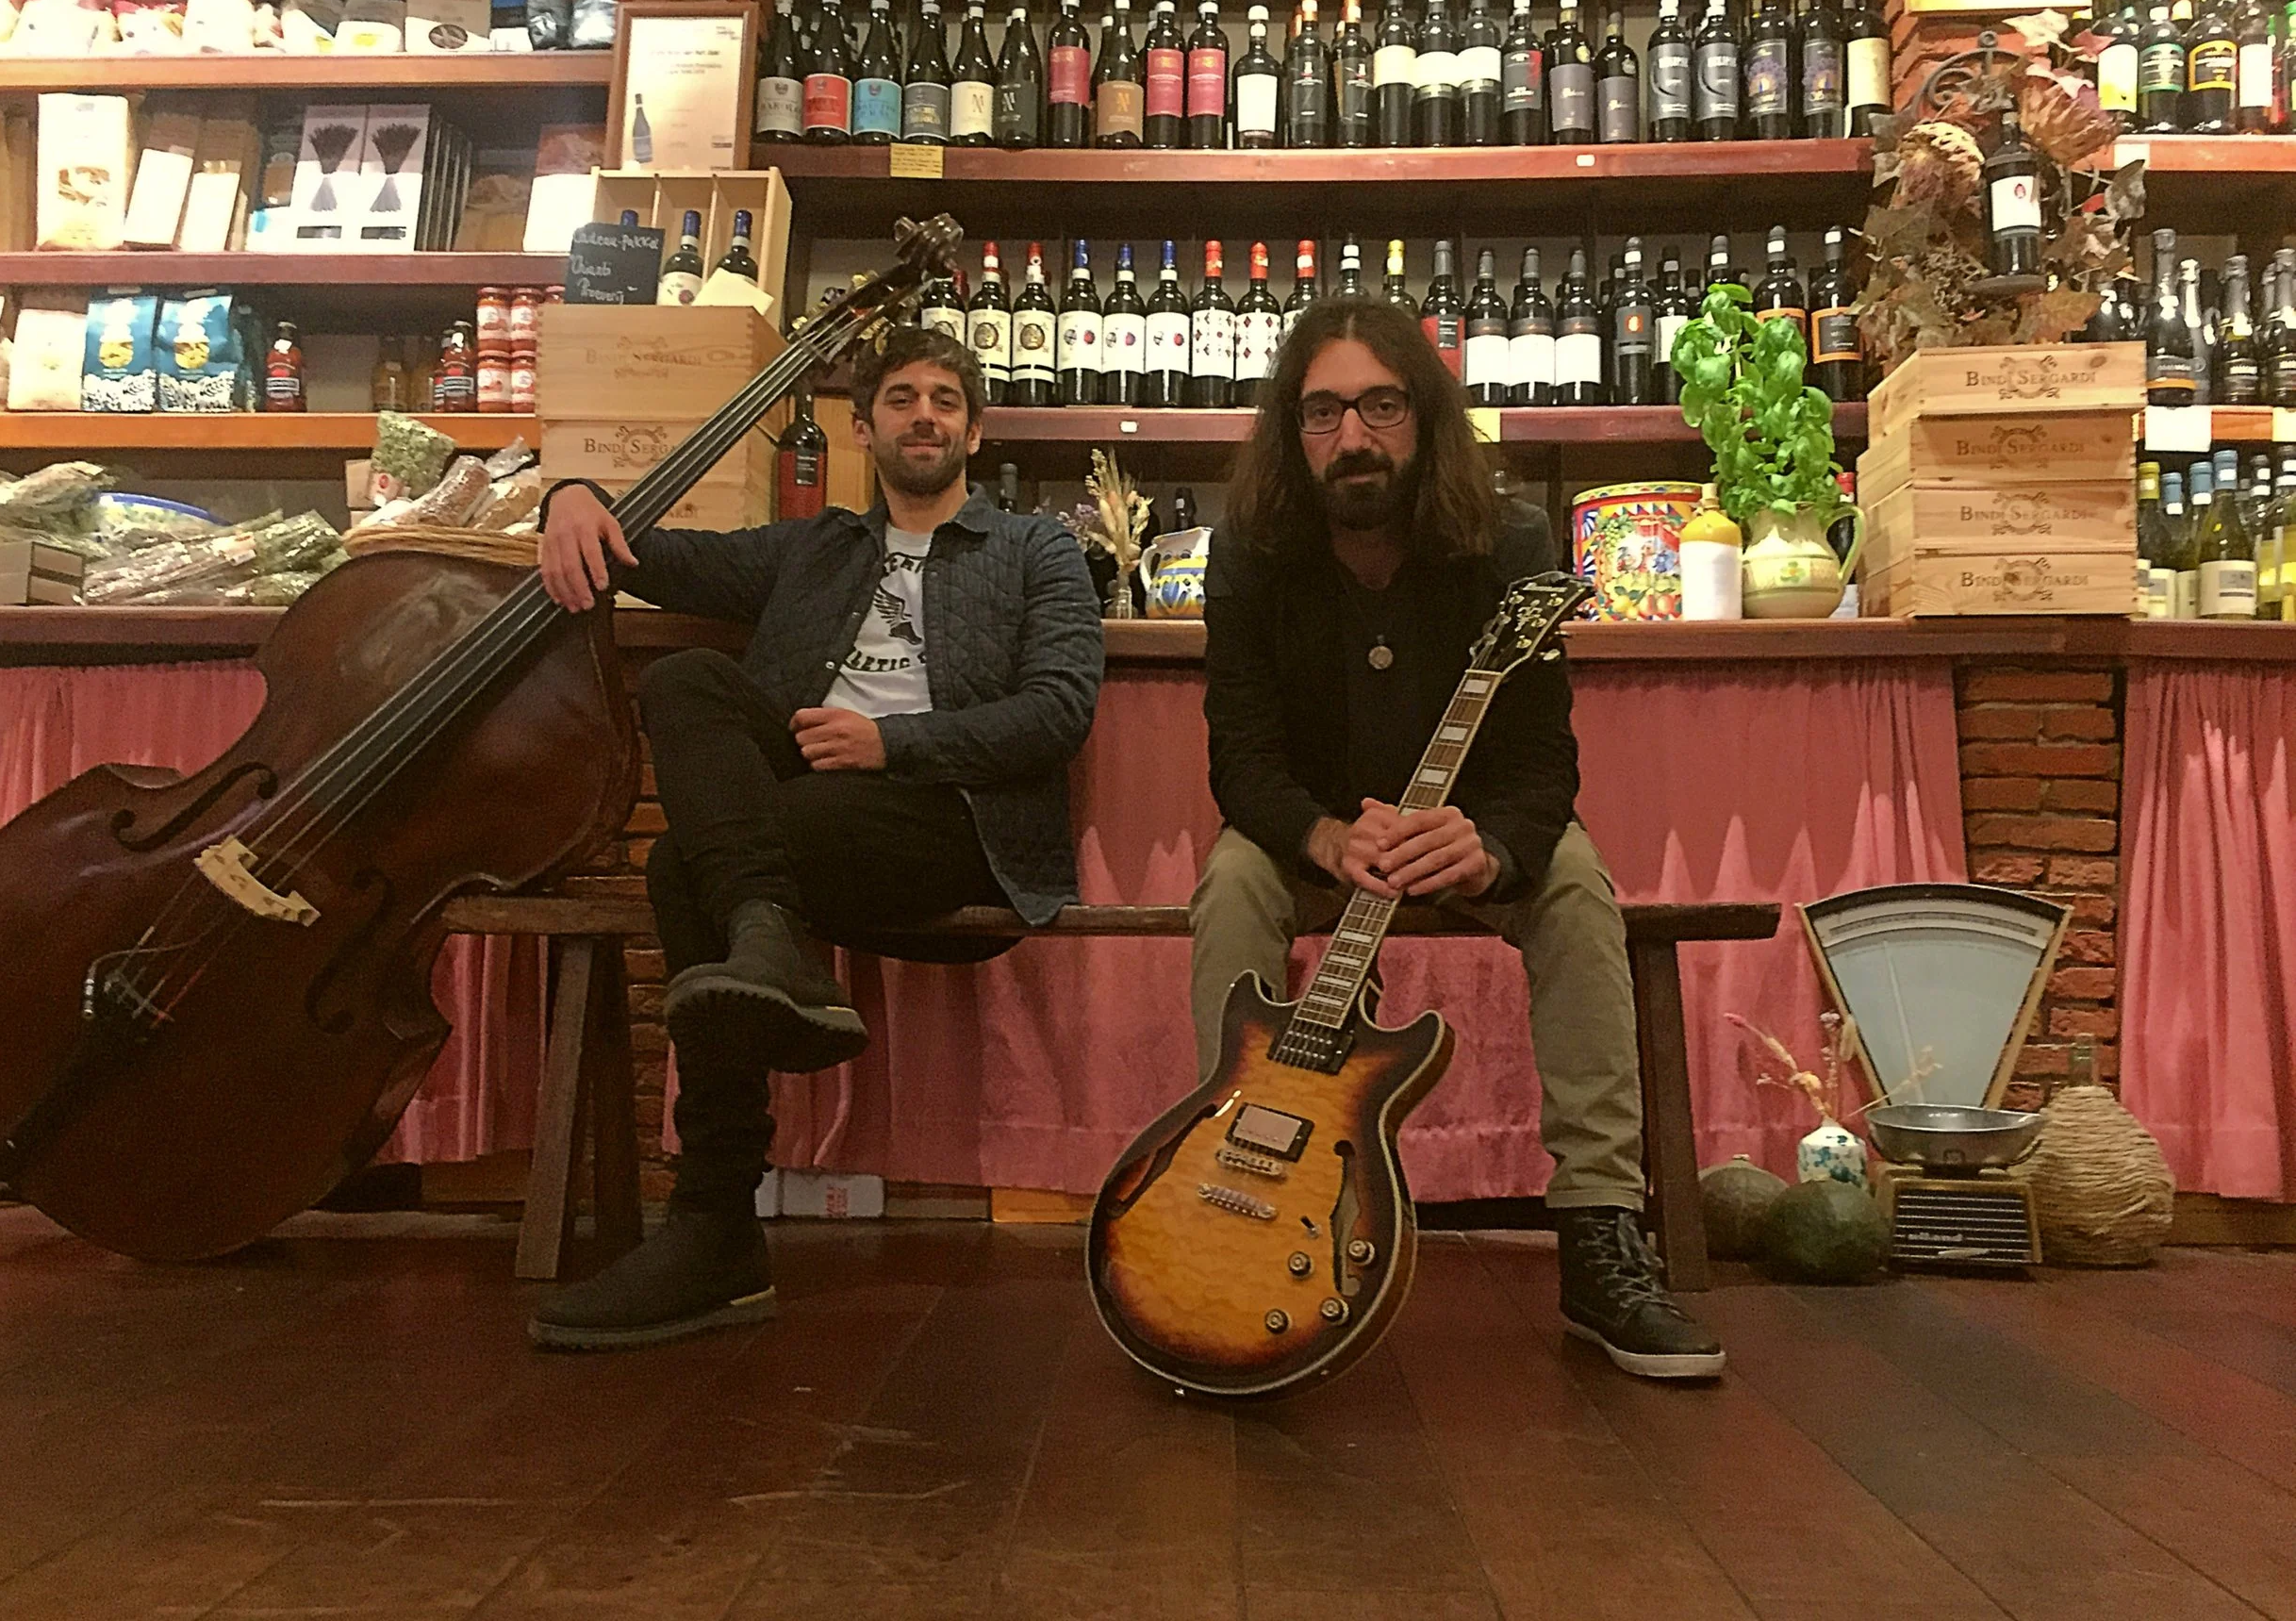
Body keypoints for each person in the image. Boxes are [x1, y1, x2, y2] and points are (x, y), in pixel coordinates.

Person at [528, 326, 1103, 1350]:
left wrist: (893, 743)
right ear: (862, 428)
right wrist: (566, 494)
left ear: (975, 431)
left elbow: (1059, 710)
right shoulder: (812, 546)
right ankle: (764, 934)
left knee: (685, 864)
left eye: (943, 400)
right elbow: (648, 555)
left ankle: (713, 1225)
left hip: (951, 822)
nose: (923, 415)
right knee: (686, 683)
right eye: (900, 399)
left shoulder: (1034, 549)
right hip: (801, 820)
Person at [1191, 296, 1725, 1381]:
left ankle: (1599, 1234)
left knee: (1575, 887)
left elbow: (1542, 765)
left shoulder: (1511, 541)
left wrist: (1491, 848)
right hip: (1312, 835)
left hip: (1467, 829)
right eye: (1323, 412)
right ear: (1292, 430)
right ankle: (1236, 1200)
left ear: (1426, 416)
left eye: (1380, 406)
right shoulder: (1248, 549)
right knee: (1229, 887)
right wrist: (1321, 837)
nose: (1352, 436)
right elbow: (1241, 760)